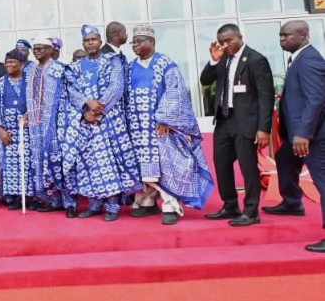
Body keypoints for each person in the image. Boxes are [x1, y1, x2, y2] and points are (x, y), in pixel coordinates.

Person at [125, 25, 214, 225]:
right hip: (137, 129)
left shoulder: (166, 64)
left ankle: (169, 206)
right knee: (144, 168)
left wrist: (165, 119)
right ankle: (147, 202)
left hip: (161, 128)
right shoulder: (130, 67)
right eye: (134, 42)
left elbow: (175, 92)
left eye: (140, 41)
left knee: (167, 167)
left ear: (152, 42)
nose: (136, 45)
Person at [62, 25, 141, 221]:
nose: (90, 43)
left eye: (93, 40)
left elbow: (116, 87)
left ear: (100, 41)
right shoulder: (75, 67)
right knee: (87, 163)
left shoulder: (112, 61)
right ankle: (94, 204)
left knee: (109, 163)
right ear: (83, 44)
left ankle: (112, 206)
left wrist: (98, 112)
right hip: (86, 122)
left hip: (109, 121)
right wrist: (86, 105)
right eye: (86, 41)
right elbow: (71, 91)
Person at [200, 23, 274, 227]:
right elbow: (205, 80)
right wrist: (214, 61)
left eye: (229, 41)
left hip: (247, 122)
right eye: (222, 42)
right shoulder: (222, 58)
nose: (226, 45)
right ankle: (230, 205)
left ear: (240, 37)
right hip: (224, 120)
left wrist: (263, 128)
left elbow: (266, 96)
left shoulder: (255, 59)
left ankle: (251, 211)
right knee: (221, 163)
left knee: (247, 167)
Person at [268, 21, 325, 252]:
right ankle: (292, 203)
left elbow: (316, 100)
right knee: (284, 158)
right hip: (295, 135)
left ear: (303, 34)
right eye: (280, 35)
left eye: (286, 35)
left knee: (323, 184)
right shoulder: (299, 59)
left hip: (313, 137)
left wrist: (303, 134)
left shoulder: (310, 60)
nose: (282, 39)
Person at [27, 36, 69, 212]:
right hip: (36, 124)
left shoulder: (60, 69)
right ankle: (53, 200)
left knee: (58, 161)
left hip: (55, 124)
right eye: (35, 48)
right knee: (39, 161)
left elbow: (70, 93)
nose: (37, 51)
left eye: (41, 48)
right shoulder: (31, 70)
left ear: (51, 50)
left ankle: (68, 202)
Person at [0, 50, 32, 210]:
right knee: (10, 165)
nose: (8, 65)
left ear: (21, 64)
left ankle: (30, 195)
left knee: (28, 163)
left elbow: (36, 101)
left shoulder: (30, 81)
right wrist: (1, 130)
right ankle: (13, 197)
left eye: (13, 62)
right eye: (7, 62)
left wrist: (28, 115)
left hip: (27, 129)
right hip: (8, 131)